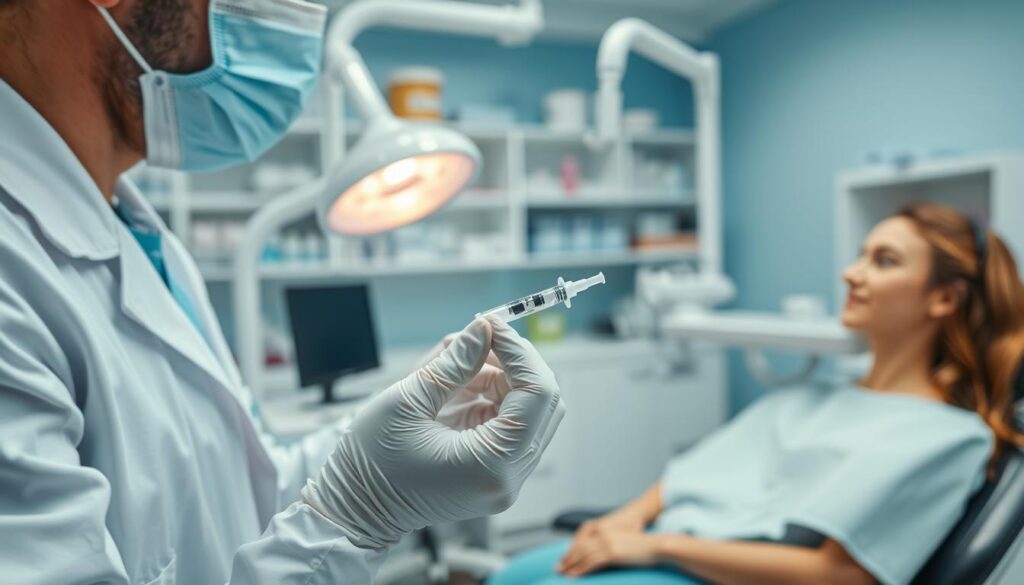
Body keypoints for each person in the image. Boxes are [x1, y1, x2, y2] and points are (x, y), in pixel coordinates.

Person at [0, 1, 564, 583]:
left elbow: (249, 488)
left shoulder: (144, 237)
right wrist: (359, 513)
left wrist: (376, 452)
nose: (287, 25)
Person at [490, 202, 1024, 585]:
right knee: (513, 575)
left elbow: (838, 575)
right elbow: (691, 474)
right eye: (861, 254)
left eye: (883, 261)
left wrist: (654, 546)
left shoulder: (948, 438)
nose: (850, 272)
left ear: (944, 298)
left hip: (706, 571)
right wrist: (625, 519)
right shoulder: (820, 391)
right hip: (660, 549)